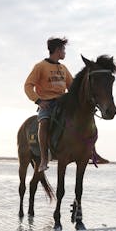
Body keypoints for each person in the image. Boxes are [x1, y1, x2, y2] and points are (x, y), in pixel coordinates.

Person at [24, 37, 73, 172]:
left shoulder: (63, 68)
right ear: (57, 50)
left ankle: (90, 151)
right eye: (63, 50)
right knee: (44, 123)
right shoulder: (40, 66)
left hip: (63, 103)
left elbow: (72, 87)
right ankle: (44, 158)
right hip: (47, 104)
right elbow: (28, 86)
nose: (64, 52)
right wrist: (38, 100)